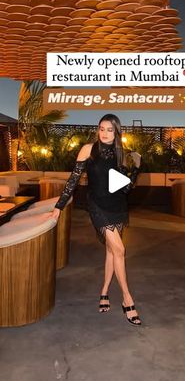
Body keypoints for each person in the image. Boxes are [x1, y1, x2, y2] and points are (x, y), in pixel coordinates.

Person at [51, 114, 142, 326]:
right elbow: (73, 180)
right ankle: (127, 299)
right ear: (98, 129)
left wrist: (135, 169)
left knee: (112, 251)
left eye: (110, 130)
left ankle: (104, 292)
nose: (105, 133)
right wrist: (59, 205)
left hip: (117, 206)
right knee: (120, 250)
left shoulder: (122, 154)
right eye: (102, 128)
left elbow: (125, 188)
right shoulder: (88, 149)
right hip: (97, 206)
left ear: (117, 132)